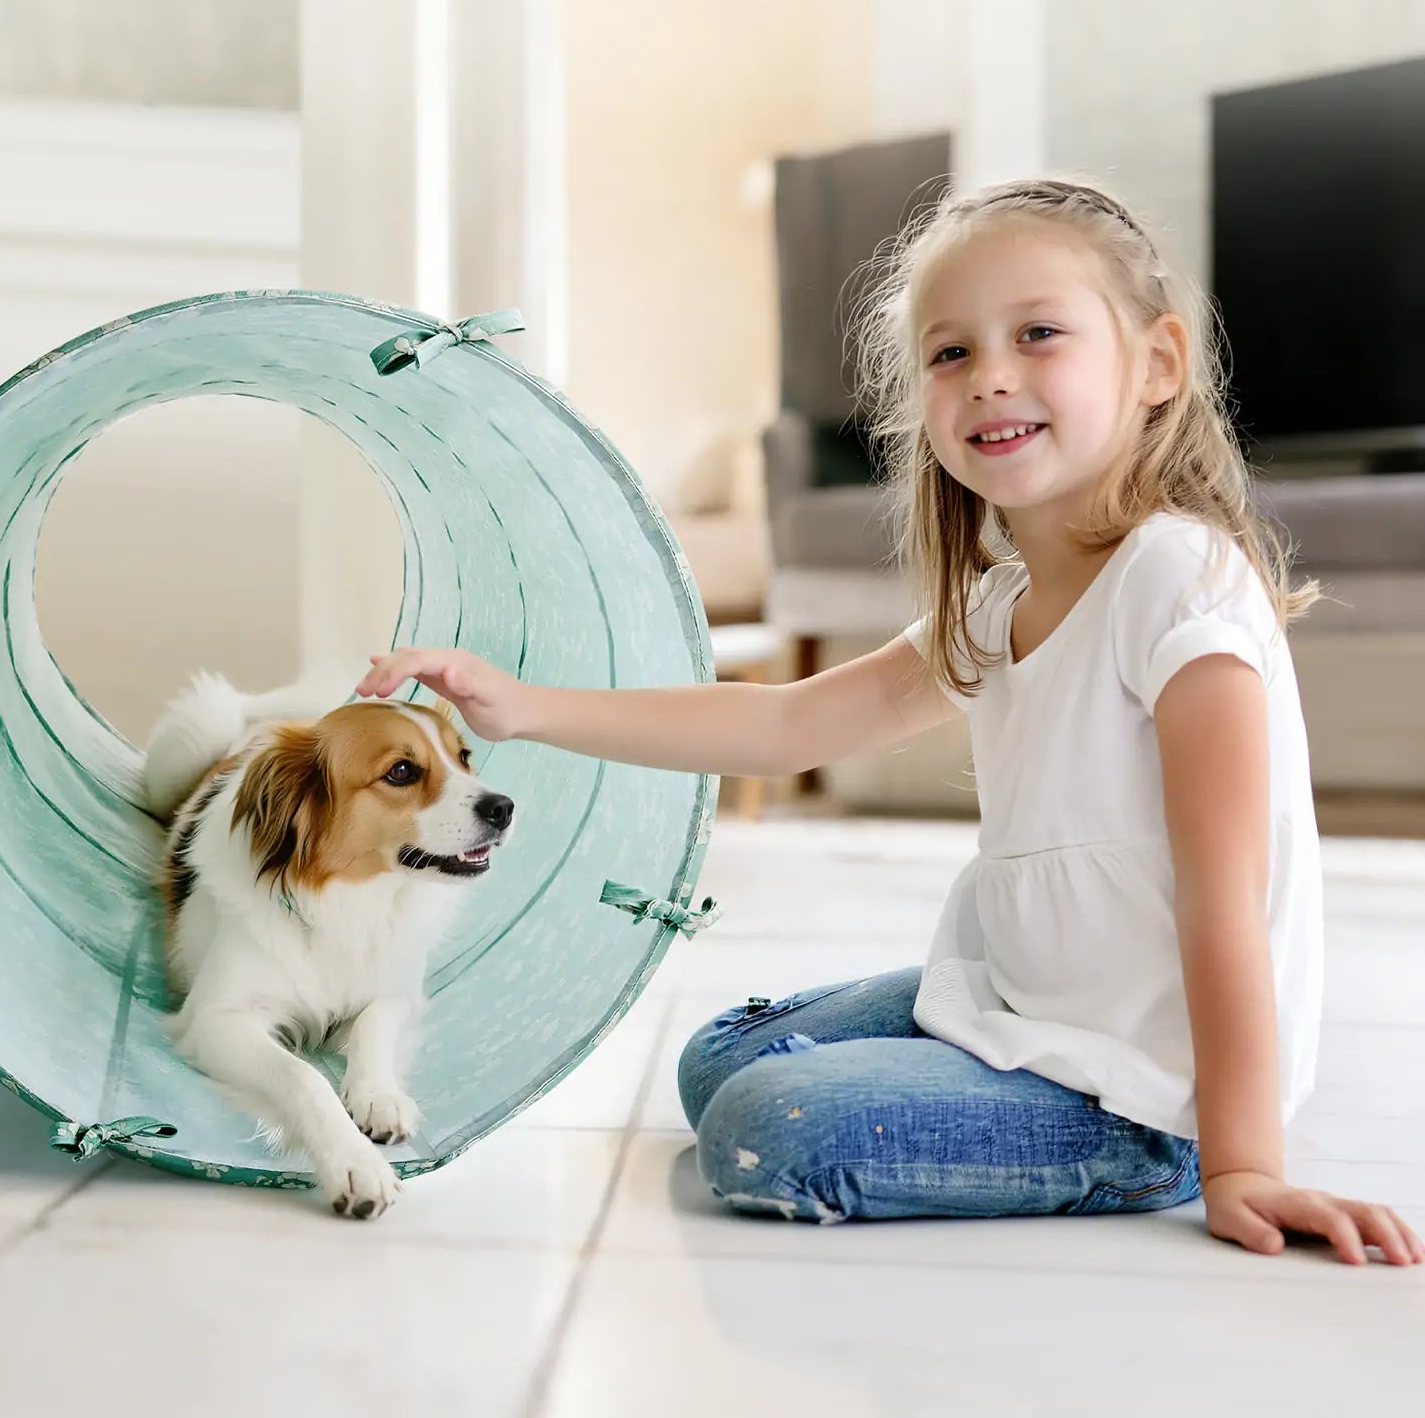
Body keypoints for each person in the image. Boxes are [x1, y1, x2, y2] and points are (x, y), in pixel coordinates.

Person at [357, 176, 1422, 1266]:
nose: (989, 375)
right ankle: (970, 1062)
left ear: (1156, 362)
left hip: (1146, 1092)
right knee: (719, 1059)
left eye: (1038, 333)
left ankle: (1137, 1151)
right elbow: (785, 724)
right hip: (1034, 1009)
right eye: (950, 352)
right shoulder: (1002, 602)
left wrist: (1243, 1162)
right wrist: (526, 708)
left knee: (769, 1126)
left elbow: (1224, 899)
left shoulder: (1176, 582)